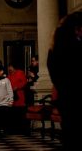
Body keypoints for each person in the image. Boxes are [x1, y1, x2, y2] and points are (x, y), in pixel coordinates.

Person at [47, 11, 82, 150]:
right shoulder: (75, 48)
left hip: (65, 97)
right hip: (74, 97)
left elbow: (54, 72)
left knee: (70, 134)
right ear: (77, 29)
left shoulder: (56, 48)